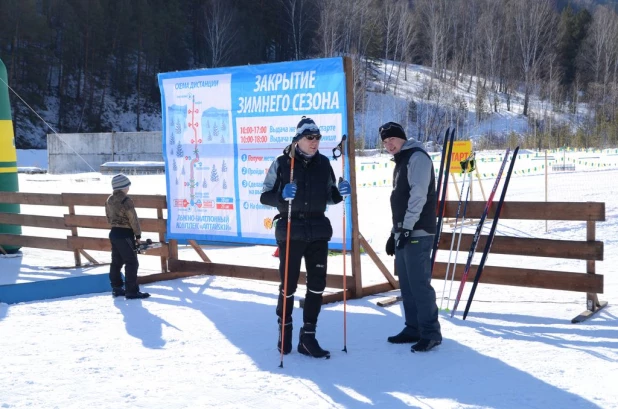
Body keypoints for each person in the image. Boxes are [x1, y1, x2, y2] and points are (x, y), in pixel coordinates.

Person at [260, 116, 351, 359]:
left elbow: (330, 196)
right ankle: (285, 329)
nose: (315, 142)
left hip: (318, 230)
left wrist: (340, 193)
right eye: (310, 137)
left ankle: (308, 337)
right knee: (288, 284)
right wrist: (281, 195)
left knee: (317, 285)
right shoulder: (282, 163)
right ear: (298, 140)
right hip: (291, 229)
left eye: (318, 138)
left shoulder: (324, 164)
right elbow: (264, 195)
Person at [381, 122, 442, 352]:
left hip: (418, 230)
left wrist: (406, 228)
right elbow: (401, 201)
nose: (389, 145)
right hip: (404, 230)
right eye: (385, 143)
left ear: (402, 138)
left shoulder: (417, 157)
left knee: (419, 284)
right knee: (406, 284)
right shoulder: (402, 160)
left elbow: (418, 195)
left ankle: (430, 332)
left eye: (392, 140)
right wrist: (394, 232)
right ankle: (413, 327)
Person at [105, 173, 150, 300]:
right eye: (127, 186)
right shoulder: (126, 200)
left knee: (116, 262)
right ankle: (131, 291)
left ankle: (117, 288)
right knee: (131, 262)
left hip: (114, 233)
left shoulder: (109, 200)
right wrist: (138, 235)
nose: (128, 188)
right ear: (123, 187)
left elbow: (108, 217)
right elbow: (133, 219)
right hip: (125, 234)